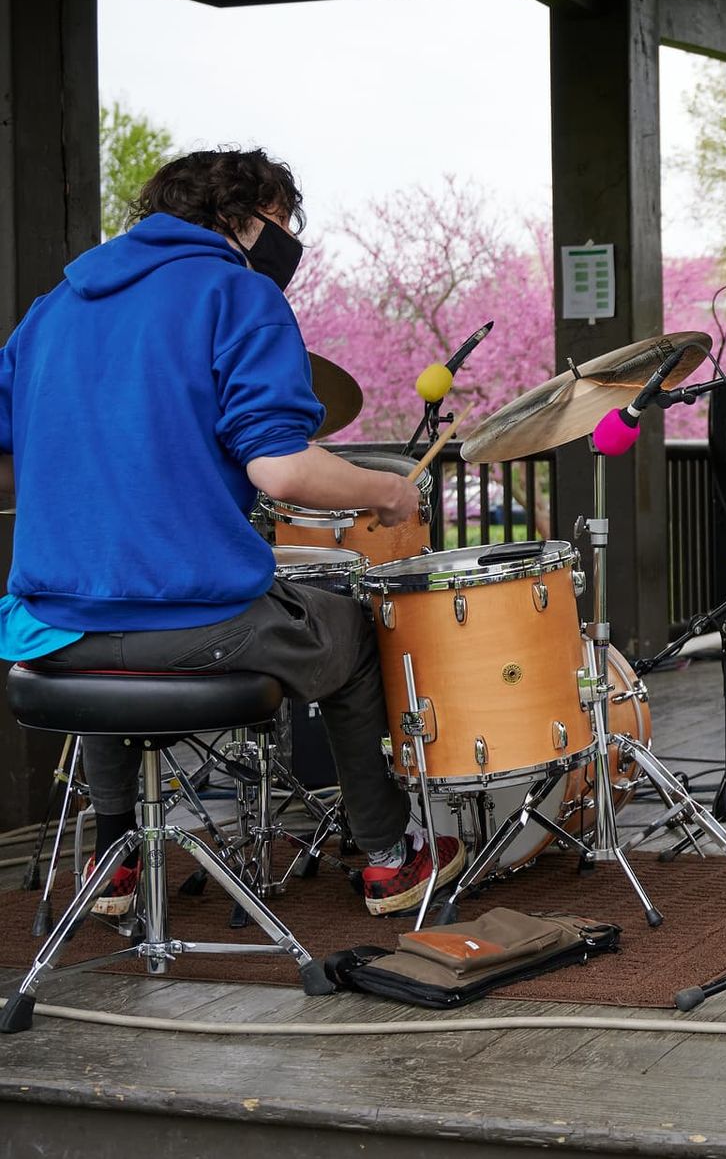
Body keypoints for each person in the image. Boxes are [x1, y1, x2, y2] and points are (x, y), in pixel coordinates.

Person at [0, 149, 466, 918]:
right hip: (193, 624)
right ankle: (391, 857)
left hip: (51, 629)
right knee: (347, 629)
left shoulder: (53, 308)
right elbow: (280, 471)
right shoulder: (236, 294)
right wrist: (385, 489)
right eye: (283, 223)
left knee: (109, 610)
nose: (286, 244)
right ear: (245, 219)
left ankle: (112, 861)